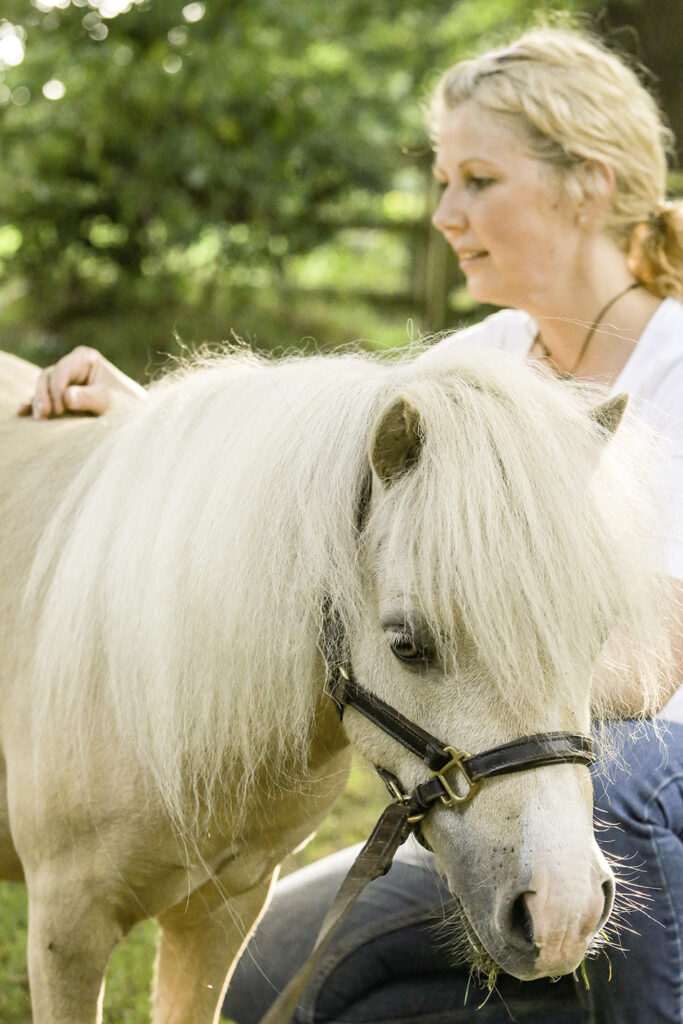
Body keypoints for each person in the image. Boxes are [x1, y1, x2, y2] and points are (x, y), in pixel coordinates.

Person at [20, 24, 683, 1024]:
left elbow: (649, 660)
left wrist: (462, 668)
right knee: (266, 984)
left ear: (585, 183)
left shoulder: (670, 365)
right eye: (439, 180)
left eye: (474, 180)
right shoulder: (490, 359)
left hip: (641, 767)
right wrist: (156, 425)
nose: (442, 213)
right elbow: (333, 460)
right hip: (531, 770)